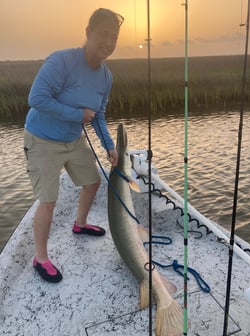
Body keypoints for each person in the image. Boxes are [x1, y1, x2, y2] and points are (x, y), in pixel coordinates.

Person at [23, 8, 124, 283]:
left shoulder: (106, 76)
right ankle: (40, 258)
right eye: (103, 35)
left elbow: (99, 114)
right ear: (88, 33)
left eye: (113, 38)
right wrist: (77, 115)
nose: (108, 42)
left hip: (73, 140)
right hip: (42, 139)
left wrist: (109, 146)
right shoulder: (62, 61)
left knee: (92, 182)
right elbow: (37, 98)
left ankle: (79, 225)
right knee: (48, 200)